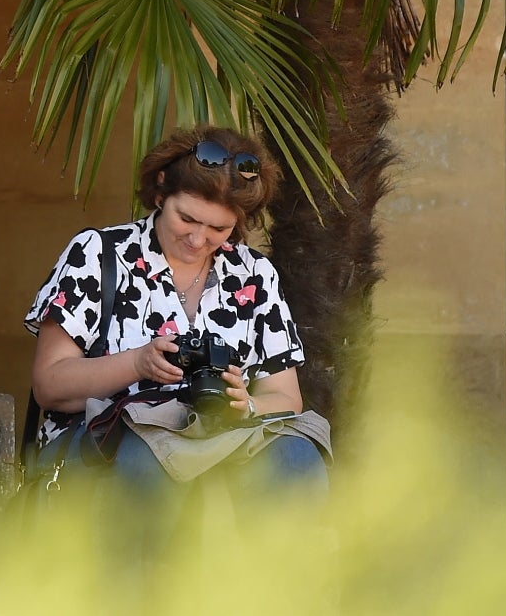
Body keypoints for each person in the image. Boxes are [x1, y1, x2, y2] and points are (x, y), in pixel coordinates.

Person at [24, 127, 329, 528]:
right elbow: (50, 385)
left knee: (297, 454)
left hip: (218, 440)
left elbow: (285, 396)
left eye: (219, 229)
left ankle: (276, 589)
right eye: (187, 218)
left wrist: (245, 404)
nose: (198, 239)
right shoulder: (100, 253)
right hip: (107, 440)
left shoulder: (254, 272)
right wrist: (138, 365)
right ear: (160, 191)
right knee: (144, 455)